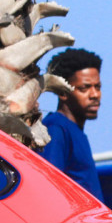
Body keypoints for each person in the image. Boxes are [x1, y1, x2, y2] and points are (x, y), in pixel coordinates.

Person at [39, 48, 103, 199]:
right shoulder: (56, 129)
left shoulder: (74, 131)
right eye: (84, 88)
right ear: (63, 93)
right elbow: (48, 190)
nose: (94, 95)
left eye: (98, 87)